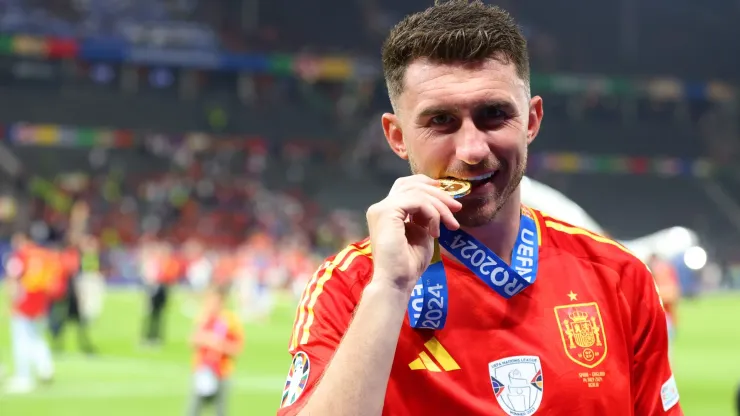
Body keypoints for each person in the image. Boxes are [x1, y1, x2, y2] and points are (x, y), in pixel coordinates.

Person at [277, 1, 682, 415]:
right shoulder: (351, 287)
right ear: (397, 137)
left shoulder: (620, 279)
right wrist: (389, 289)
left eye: (493, 115)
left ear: (531, 120)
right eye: (440, 121)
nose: (472, 150)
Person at [4, 232, 55, 394]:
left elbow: (13, 278)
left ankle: (24, 376)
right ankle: (45, 366)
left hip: (25, 300)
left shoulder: (20, 255)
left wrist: (11, 301)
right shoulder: (44, 255)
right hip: (40, 300)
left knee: (21, 338)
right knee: (35, 335)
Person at [186, 284, 244, 416]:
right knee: (193, 409)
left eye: (215, 301)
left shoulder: (230, 320)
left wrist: (221, 345)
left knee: (220, 411)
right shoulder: (204, 317)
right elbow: (192, 340)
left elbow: (237, 348)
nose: (212, 304)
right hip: (202, 370)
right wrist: (206, 339)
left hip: (222, 372)